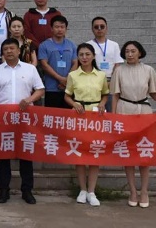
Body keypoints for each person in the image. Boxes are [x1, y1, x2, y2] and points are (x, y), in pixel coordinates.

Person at [110, 40, 156, 209]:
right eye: (127, 51)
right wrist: (114, 116)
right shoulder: (119, 70)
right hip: (125, 110)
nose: (130, 54)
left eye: (133, 51)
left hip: (144, 111)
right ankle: (133, 191)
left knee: (143, 151)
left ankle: (144, 191)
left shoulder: (148, 70)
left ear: (140, 52)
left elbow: (154, 93)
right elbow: (115, 95)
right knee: (128, 152)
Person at [0, 38, 45, 205]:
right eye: (6, 49)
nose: (9, 51)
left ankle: (27, 190)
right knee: (3, 156)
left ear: (19, 51)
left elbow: (40, 89)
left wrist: (29, 100)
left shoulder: (30, 69)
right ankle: (3, 190)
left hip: (24, 118)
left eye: (12, 48)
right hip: (3, 119)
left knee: (26, 155)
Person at [64, 43, 109, 207]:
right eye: (81, 54)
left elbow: (105, 94)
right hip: (79, 116)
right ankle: (82, 189)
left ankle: (92, 191)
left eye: (87, 54)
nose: (84, 57)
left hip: (96, 116)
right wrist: (74, 104)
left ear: (93, 56)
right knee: (80, 153)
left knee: (94, 152)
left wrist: (102, 103)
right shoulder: (73, 75)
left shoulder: (101, 75)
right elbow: (67, 95)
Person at [38, 15, 78, 108]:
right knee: (52, 114)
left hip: (68, 88)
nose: (59, 29)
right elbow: (44, 65)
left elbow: (75, 63)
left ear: (66, 29)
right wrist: (60, 79)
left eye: (62, 27)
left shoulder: (71, 45)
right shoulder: (44, 45)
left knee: (68, 115)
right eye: (56, 27)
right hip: (51, 88)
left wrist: (67, 80)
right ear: (51, 28)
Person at [86, 16, 123, 112]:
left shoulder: (114, 45)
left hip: (111, 81)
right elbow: (86, 64)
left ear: (107, 28)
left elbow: (117, 64)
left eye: (102, 26)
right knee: (95, 110)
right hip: (93, 81)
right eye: (96, 27)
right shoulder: (88, 45)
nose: (99, 29)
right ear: (92, 29)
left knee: (110, 110)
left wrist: (112, 81)